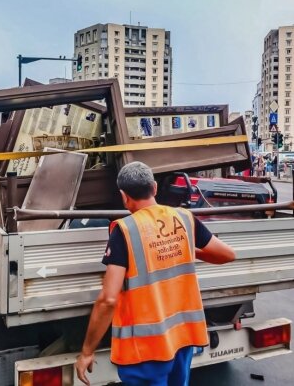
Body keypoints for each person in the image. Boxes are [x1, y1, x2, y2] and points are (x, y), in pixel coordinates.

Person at [75, 162, 236, 386]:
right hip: (181, 339)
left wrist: (86, 352)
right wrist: (186, 249)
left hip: (145, 349)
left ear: (123, 196)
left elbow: (108, 299)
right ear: (154, 188)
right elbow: (227, 254)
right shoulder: (184, 218)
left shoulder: (125, 230)